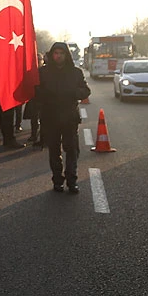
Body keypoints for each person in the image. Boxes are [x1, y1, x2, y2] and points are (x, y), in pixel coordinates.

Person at [36, 42, 90, 193]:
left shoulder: (75, 72)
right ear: (52, 55)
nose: (58, 56)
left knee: (72, 149)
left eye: (62, 53)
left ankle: (72, 180)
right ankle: (57, 180)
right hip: (50, 116)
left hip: (69, 117)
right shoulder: (44, 72)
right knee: (54, 150)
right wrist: (45, 95)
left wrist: (73, 93)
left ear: (66, 55)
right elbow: (36, 91)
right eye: (56, 53)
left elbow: (85, 90)